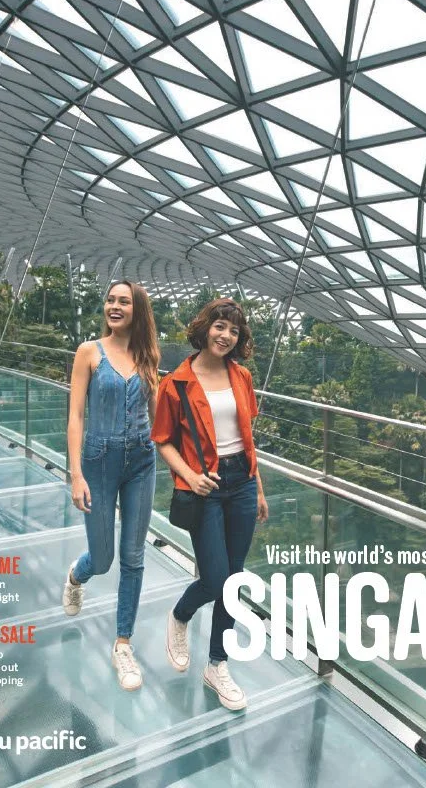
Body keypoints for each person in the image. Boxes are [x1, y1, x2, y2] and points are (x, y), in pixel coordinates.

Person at [151, 298, 268, 710]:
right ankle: (181, 614)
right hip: (205, 486)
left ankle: (217, 664)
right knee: (216, 578)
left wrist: (258, 488)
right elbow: (162, 439)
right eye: (220, 327)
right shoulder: (176, 383)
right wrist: (189, 475)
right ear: (204, 328)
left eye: (234, 331)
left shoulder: (242, 377)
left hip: (241, 483)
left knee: (233, 582)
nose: (226, 336)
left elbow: (247, 438)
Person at [61, 280, 160, 691]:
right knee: (103, 560)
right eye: (111, 300)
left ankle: (123, 644)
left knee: (133, 557)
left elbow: (158, 417)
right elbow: (76, 417)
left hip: (141, 460)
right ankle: (76, 576)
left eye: (124, 301)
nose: (114, 307)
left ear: (137, 310)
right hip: (98, 462)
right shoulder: (89, 352)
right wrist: (76, 474)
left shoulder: (147, 355)